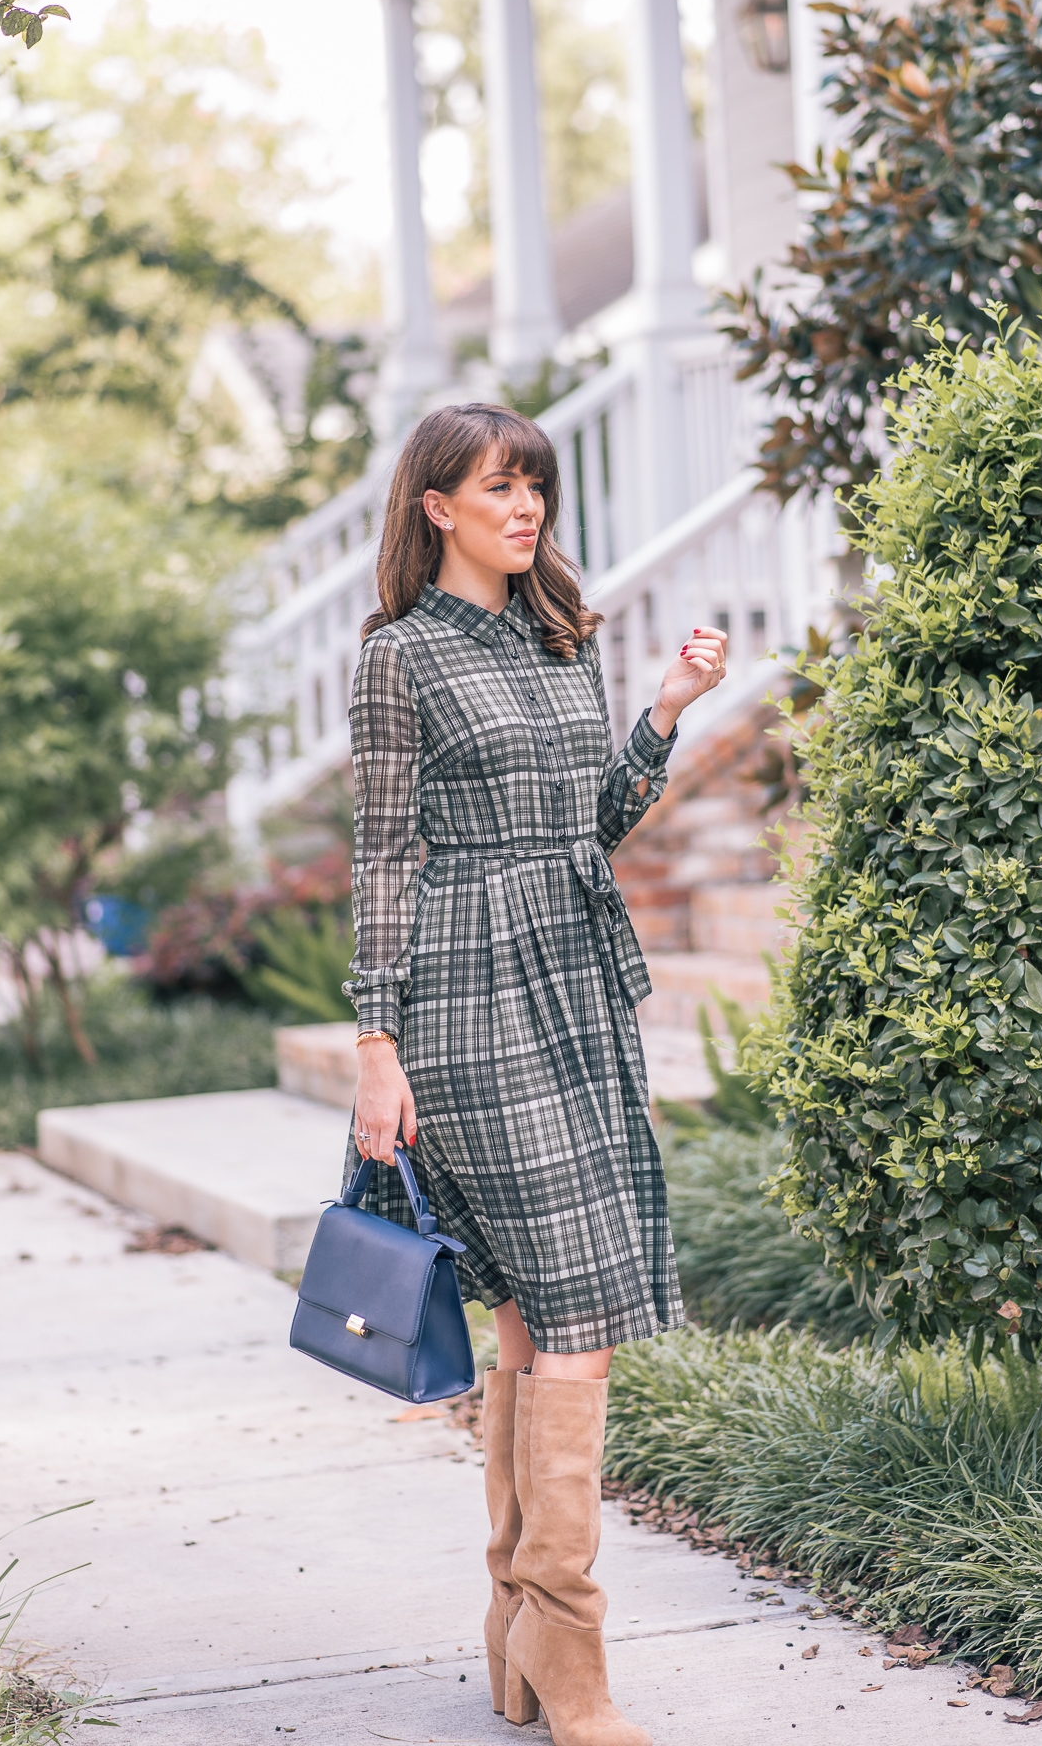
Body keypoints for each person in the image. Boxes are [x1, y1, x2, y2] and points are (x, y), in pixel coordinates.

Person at [343, 403, 726, 1746]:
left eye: (535, 487)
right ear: (436, 505)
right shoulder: (398, 658)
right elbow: (381, 859)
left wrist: (662, 714)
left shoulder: (563, 639)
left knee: (528, 1319)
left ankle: (518, 1633)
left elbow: (588, 829)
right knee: (573, 1309)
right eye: (498, 487)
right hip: (465, 996)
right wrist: (375, 1047)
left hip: (574, 985)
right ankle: (569, 1654)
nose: (524, 508)